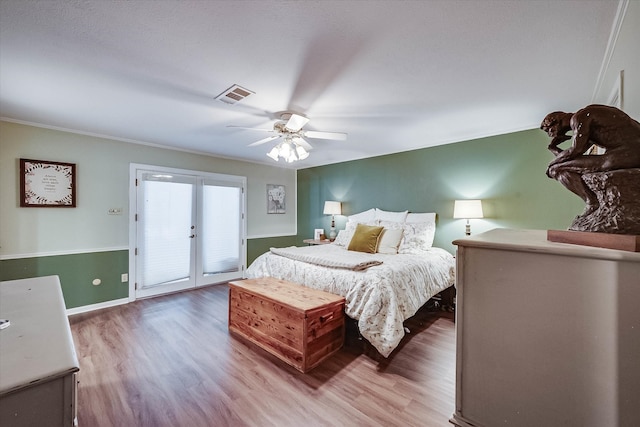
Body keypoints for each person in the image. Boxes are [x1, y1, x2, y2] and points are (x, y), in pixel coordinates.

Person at [540, 104, 640, 215]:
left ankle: (592, 203)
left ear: (556, 120)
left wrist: (551, 164)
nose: (550, 135)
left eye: (549, 130)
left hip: (631, 152)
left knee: (555, 170)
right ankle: (592, 202)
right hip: (627, 151)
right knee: (556, 168)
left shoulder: (579, 118)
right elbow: (572, 158)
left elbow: (575, 150)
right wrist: (553, 149)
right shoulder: (588, 124)